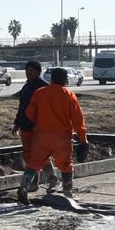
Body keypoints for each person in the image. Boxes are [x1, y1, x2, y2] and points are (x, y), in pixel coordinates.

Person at [17, 67, 90, 204]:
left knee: (34, 163)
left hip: (41, 136)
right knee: (66, 165)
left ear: (52, 78)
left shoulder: (40, 93)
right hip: (62, 138)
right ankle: (68, 194)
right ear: (64, 79)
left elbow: (29, 114)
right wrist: (83, 139)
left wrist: (41, 124)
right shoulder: (69, 95)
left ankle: (24, 188)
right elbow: (78, 121)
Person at [12, 60, 58, 192]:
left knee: (41, 156)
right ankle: (33, 183)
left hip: (39, 129)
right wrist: (17, 124)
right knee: (28, 156)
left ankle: (52, 179)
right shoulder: (26, 88)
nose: (28, 73)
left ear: (38, 72)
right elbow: (22, 108)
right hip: (25, 127)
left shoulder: (45, 88)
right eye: (27, 71)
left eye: (31, 71)